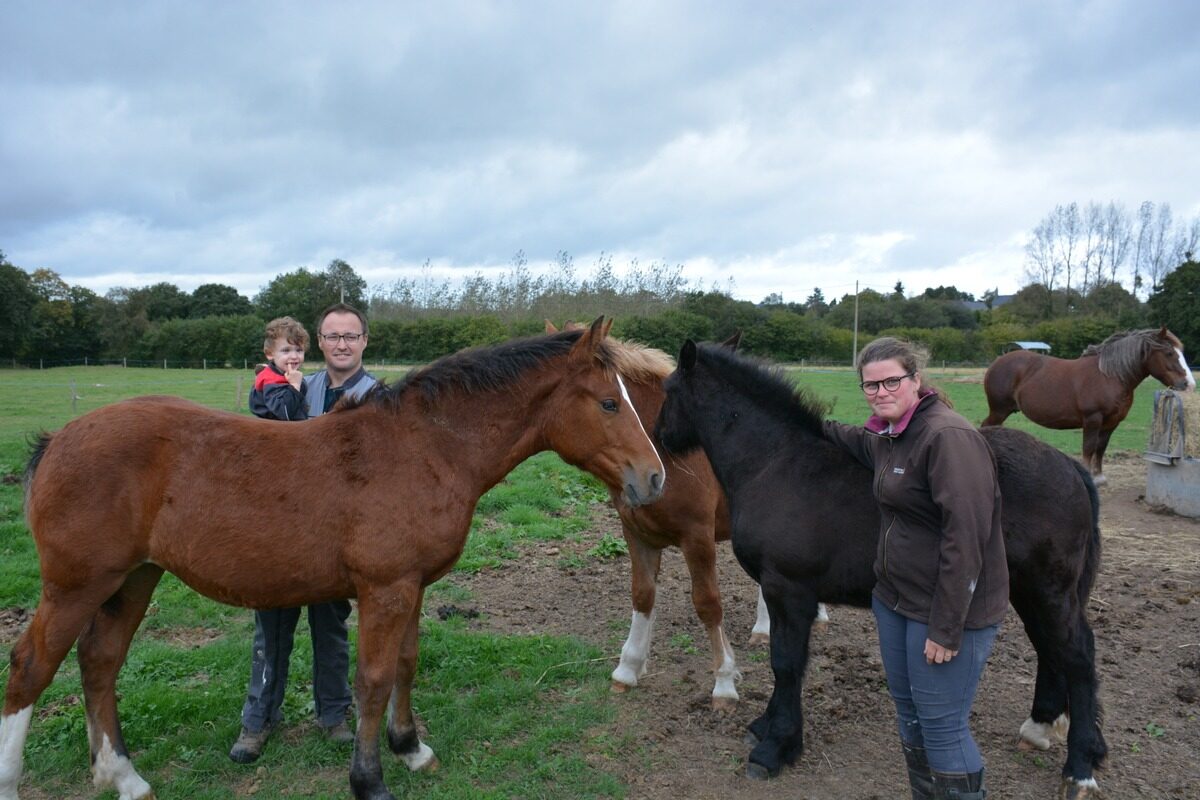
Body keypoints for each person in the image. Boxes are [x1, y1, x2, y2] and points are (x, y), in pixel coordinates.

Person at [822, 337, 1007, 800]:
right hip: (895, 603)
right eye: (871, 385)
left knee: (943, 728)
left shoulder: (948, 438)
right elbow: (857, 441)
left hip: (944, 614)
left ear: (915, 380)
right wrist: (797, 420)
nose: (881, 392)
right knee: (909, 716)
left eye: (891, 381)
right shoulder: (891, 437)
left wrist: (946, 629)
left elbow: (966, 542)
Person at [230, 303, 378, 764]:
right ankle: (257, 720)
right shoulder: (295, 385)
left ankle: (333, 715)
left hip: (339, 537)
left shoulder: (377, 397)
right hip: (284, 531)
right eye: (332, 336)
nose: (341, 344)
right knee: (270, 627)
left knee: (330, 627)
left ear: (363, 342)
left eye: (350, 336)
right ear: (320, 341)